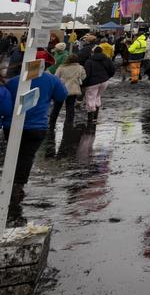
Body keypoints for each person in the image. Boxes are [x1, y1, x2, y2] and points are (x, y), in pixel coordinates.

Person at [4, 63, 69, 224]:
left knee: (13, 153)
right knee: (26, 156)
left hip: (12, 125)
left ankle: (9, 181)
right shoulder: (51, 79)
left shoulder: (13, 81)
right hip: (36, 126)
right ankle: (17, 186)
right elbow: (62, 96)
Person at [51, 53, 86, 144]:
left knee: (56, 107)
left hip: (61, 89)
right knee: (70, 107)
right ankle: (68, 124)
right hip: (73, 89)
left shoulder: (61, 67)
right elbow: (83, 77)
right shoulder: (80, 68)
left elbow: (55, 77)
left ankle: (52, 123)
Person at [81, 46, 115, 125]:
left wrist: (83, 84)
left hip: (92, 83)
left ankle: (90, 118)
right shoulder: (107, 59)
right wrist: (107, 77)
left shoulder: (89, 61)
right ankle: (95, 117)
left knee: (90, 99)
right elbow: (112, 70)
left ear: (94, 52)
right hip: (104, 81)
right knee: (97, 96)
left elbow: (87, 74)